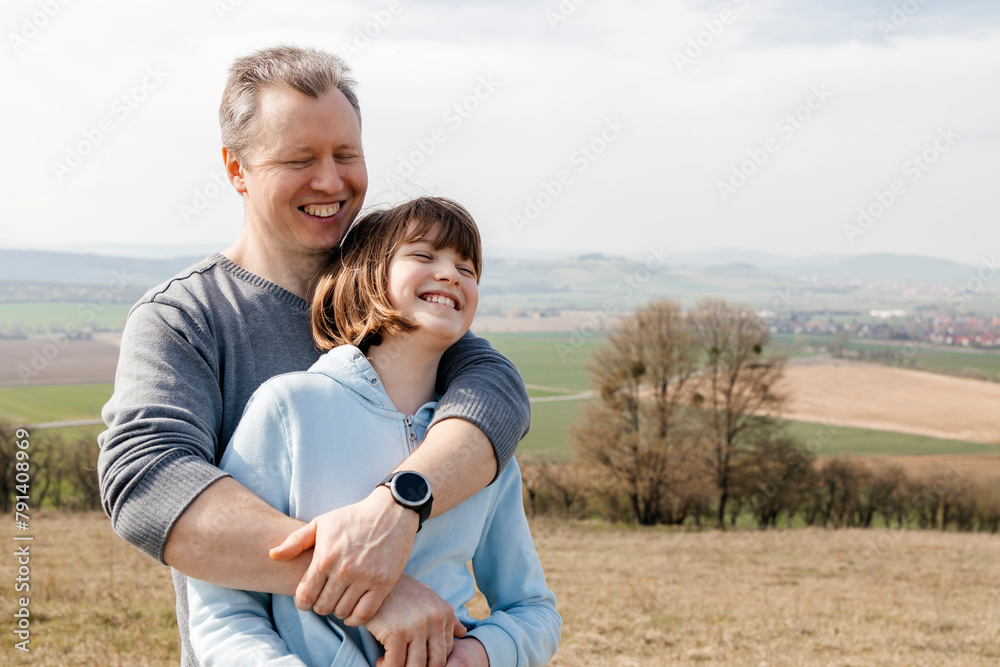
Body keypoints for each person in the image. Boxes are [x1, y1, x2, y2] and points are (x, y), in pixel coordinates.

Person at [97, 46, 531, 667]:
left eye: (346, 155)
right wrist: (368, 584)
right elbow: (148, 485)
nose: (330, 181)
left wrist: (398, 506)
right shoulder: (184, 317)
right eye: (299, 159)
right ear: (236, 168)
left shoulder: (388, 292)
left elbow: (495, 391)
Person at [187, 197, 561, 666]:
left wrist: (477, 655)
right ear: (368, 277)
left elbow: (533, 610)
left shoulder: (482, 452)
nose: (451, 275)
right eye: (424, 256)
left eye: (467, 268)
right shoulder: (289, 408)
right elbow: (223, 613)